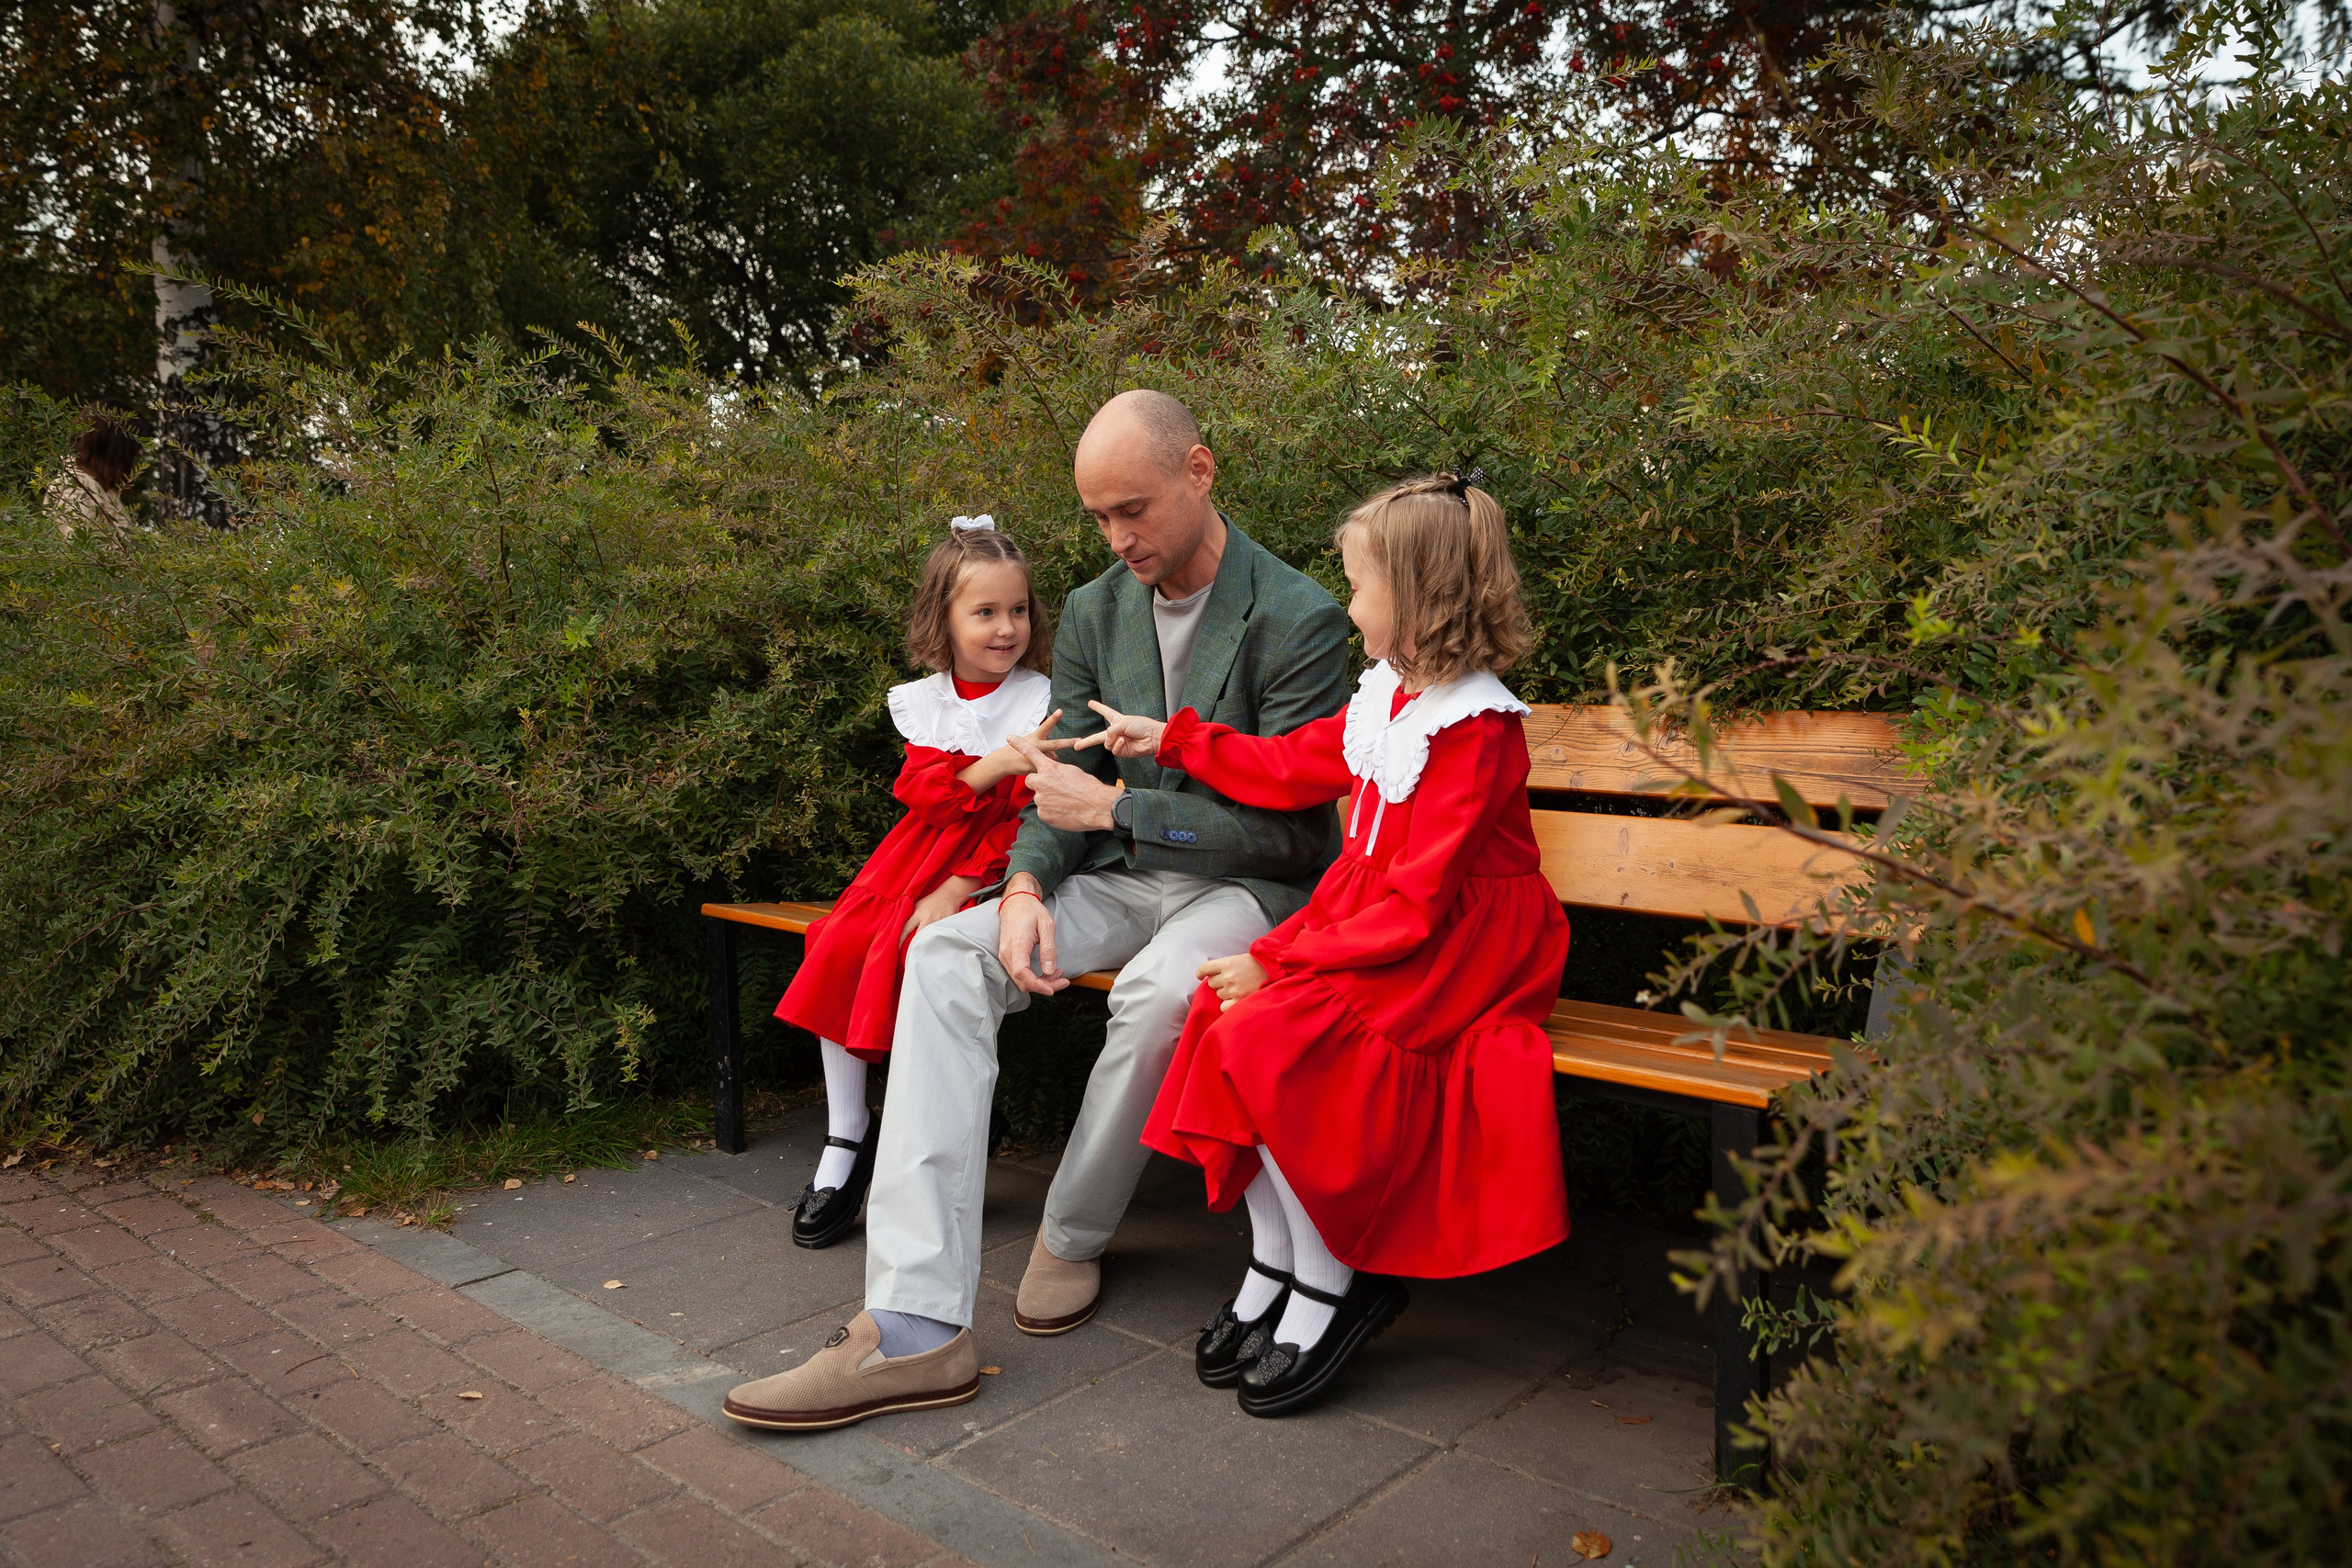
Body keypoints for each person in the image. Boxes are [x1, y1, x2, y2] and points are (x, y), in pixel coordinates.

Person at [722, 389, 1352, 1431]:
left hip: (1248, 891)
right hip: (1113, 872)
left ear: (1199, 471)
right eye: (1099, 517)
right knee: (941, 957)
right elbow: (1060, 785)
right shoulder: (1101, 607)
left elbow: (1294, 834)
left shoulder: (1298, 617)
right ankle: (917, 1326)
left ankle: (1073, 1230)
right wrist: (1021, 884)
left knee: (1160, 995)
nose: (1118, 538)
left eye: (1133, 510)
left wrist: (1123, 808)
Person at [1116, 472, 1571, 1416]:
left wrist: (1276, 959)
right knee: (1216, 1010)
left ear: (1417, 599)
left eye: (1360, 584)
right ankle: (1275, 1260)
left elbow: (1415, 908)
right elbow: (1290, 765)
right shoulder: (1390, 695)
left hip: (1459, 943)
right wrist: (1175, 742)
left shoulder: (1476, 729)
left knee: (1271, 1033)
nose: (1347, 601)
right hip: (1373, 918)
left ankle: (1336, 1274)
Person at [769, 517, 1060, 1248]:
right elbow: (926, 794)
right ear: (945, 618)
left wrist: (960, 889)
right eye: (985, 612)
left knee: (916, 947)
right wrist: (995, 764)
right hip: (914, 852)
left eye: (1017, 610)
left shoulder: (1039, 699)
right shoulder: (928, 700)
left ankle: (935, 1128)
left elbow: (1025, 817)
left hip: (995, 862)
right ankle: (847, 1135)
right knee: (837, 943)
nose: (1005, 628)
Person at [46, 417, 141, 538]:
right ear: (113, 444)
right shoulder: (77, 486)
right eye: (135, 445)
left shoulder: (98, 488)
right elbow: (76, 550)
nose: (139, 453)